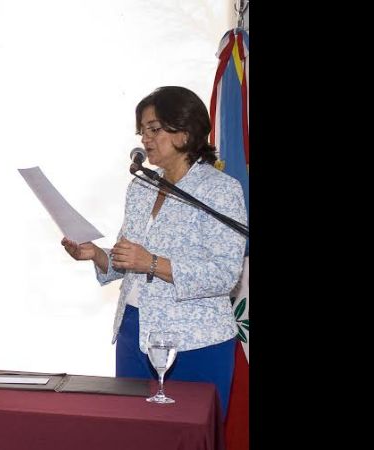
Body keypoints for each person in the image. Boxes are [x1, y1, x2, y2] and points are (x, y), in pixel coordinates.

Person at [61, 86, 246, 418]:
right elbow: (127, 259)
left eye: (154, 129)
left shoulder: (221, 190)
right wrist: (98, 255)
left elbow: (224, 274)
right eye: (142, 131)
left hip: (195, 340)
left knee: (188, 434)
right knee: (134, 432)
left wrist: (153, 263)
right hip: (135, 331)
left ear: (186, 131)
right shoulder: (141, 186)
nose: (145, 139)